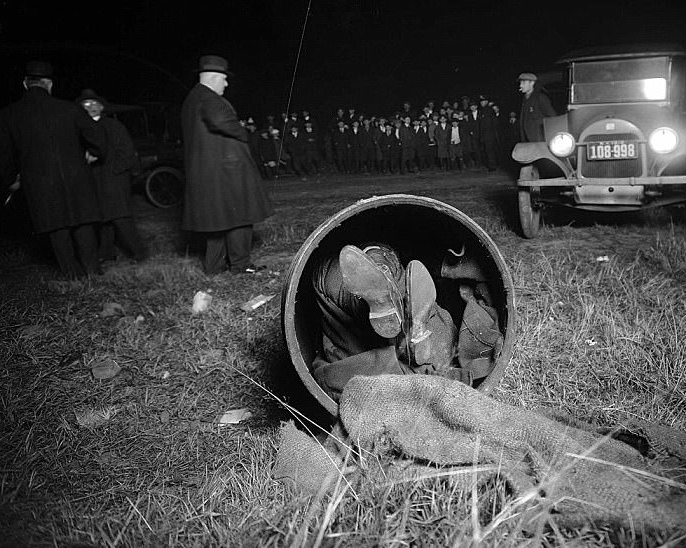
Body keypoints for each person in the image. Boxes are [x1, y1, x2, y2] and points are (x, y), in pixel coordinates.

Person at [311, 243, 502, 400]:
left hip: (382, 366)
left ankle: (379, 270)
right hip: (424, 360)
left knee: (328, 280)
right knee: (429, 354)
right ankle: (381, 266)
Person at [0, 61, 106, 277]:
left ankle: (72, 274)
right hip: (76, 177)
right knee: (83, 221)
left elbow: (0, 155)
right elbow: (97, 136)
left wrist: (11, 179)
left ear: (25, 84)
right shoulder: (70, 109)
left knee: (56, 226)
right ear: (49, 84)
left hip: (39, 182)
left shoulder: (7, 115)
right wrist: (95, 153)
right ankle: (92, 271)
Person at [181, 54, 272, 275]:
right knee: (241, 215)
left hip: (209, 171)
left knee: (219, 220)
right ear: (214, 78)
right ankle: (240, 265)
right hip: (227, 170)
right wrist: (243, 133)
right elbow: (220, 120)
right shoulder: (208, 97)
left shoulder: (192, 98)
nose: (226, 84)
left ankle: (214, 267)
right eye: (224, 79)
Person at [76, 89, 147, 262]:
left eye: (94, 103)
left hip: (114, 180)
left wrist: (113, 171)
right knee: (103, 218)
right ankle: (107, 253)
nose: (91, 107)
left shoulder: (114, 126)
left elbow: (128, 153)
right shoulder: (80, 128)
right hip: (93, 180)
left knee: (120, 217)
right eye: (86, 104)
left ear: (102, 107)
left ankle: (139, 253)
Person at [517, 72, 557, 142]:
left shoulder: (540, 97)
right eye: (520, 83)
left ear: (532, 83)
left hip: (540, 141)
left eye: (523, 83)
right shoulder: (525, 99)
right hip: (528, 140)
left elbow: (553, 117)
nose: (521, 85)